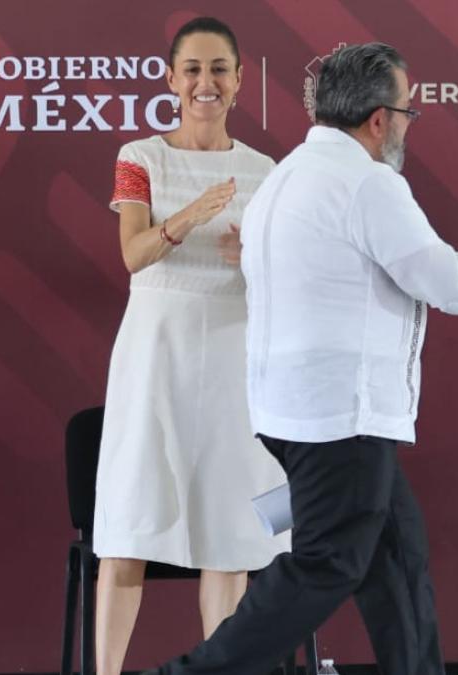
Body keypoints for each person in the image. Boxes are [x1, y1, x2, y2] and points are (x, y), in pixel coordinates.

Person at [145, 42, 458, 675]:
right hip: (341, 418)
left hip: (301, 414)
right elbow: (434, 274)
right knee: (327, 564)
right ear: (379, 119)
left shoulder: (290, 174)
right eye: (409, 111)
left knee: (397, 559)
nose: (410, 124)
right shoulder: (367, 183)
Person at [93, 16, 289, 675]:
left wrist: (254, 261)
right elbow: (134, 255)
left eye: (220, 70)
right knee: (128, 527)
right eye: (195, 70)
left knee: (231, 537)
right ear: (173, 79)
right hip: (154, 353)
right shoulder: (139, 156)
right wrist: (190, 217)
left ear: (239, 82)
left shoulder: (265, 171)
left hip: (238, 358)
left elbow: (282, 277)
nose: (207, 83)